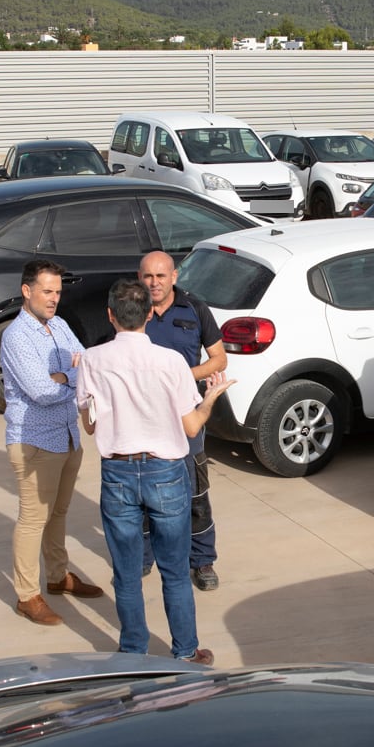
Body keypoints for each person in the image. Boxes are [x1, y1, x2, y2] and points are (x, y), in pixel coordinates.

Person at [78, 278, 233, 662]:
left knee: (127, 574)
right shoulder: (171, 362)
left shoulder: (93, 360)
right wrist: (210, 398)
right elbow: (192, 427)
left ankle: (132, 650)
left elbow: (91, 425)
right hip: (166, 472)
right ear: (149, 314)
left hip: (117, 473)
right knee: (176, 572)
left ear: (111, 316)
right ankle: (185, 651)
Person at [0, 258, 103, 626]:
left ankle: (58, 577)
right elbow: (42, 392)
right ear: (27, 291)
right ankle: (27, 595)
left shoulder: (58, 325)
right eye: (47, 291)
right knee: (33, 519)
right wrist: (72, 379)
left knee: (58, 513)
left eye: (57, 292)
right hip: (35, 441)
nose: (54, 299)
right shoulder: (15, 337)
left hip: (68, 435)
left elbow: (86, 363)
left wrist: (67, 376)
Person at [137, 250, 226, 591]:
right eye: (148, 276)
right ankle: (144, 558)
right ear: (139, 277)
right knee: (144, 492)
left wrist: (183, 375)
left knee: (195, 493)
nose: (154, 283)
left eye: (161, 276)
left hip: (187, 417)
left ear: (174, 277)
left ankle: (202, 561)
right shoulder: (133, 312)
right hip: (144, 418)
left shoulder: (195, 309)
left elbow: (219, 360)